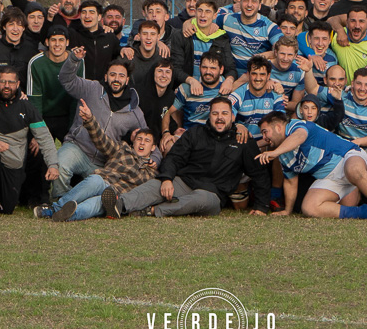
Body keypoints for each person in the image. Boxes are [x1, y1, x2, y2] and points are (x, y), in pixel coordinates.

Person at [120, 98, 266, 218]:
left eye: (224, 113)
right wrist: (166, 179)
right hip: (184, 182)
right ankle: (120, 205)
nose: (220, 118)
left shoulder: (243, 141)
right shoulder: (195, 133)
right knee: (155, 186)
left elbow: (259, 174)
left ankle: (151, 211)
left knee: (201, 200)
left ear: (233, 117)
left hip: (212, 194)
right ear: (209, 115)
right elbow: (174, 157)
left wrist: (261, 207)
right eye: (215, 113)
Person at [256, 109, 367, 220]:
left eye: (265, 132)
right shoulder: (284, 155)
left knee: (353, 170)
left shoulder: (296, 125)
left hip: (348, 156)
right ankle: (363, 212)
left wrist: (273, 153)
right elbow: (291, 183)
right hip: (330, 177)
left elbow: (299, 137)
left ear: (279, 127)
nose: (264, 138)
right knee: (309, 208)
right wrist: (287, 210)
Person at [0, 66, 59, 219]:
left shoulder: (27, 107)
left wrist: (53, 165)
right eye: (3, 81)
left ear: (18, 83)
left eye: (11, 82)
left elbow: (44, 137)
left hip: (13, 160)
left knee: (8, 208)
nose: (6, 86)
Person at [41, 102, 158, 221]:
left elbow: (144, 195)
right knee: (96, 180)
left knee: (97, 203)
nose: (142, 143)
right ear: (134, 141)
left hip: (113, 196)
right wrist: (90, 121)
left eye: (147, 141)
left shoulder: (151, 173)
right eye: (139, 139)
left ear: (153, 147)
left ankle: (65, 215)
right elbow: (102, 141)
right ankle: (57, 208)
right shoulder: (122, 149)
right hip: (102, 181)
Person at [54, 56, 146, 196]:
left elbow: (147, 137)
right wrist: (73, 60)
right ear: (106, 76)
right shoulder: (92, 88)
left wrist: (155, 160)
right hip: (78, 148)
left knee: (100, 192)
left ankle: (74, 202)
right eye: (112, 74)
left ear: (127, 80)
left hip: (104, 161)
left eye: (121, 76)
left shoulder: (134, 111)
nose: (116, 79)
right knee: (60, 164)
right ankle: (59, 200)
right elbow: (66, 80)